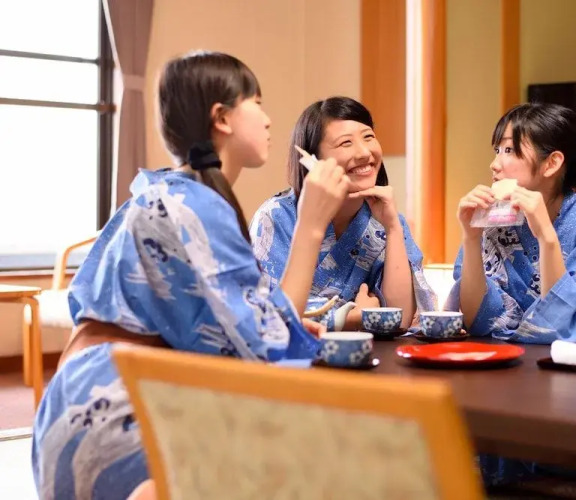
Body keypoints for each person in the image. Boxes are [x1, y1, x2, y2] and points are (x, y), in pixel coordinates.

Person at [32, 51, 349, 500]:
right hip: (120, 421)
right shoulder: (194, 209)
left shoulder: (164, 194)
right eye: (256, 103)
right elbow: (267, 351)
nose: (267, 120)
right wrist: (312, 225)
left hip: (74, 408)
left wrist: (282, 321)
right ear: (221, 118)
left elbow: (245, 324)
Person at [448, 102, 576, 346]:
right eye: (497, 150)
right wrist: (471, 237)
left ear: (551, 163)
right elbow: (477, 320)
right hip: (507, 360)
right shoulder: (494, 225)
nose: (494, 164)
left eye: (509, 150)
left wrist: (547, 237)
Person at [250, 97, 436, 331]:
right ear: (314, 159)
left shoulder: (386, 219)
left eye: (368, 137)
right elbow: (270, 313)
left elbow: (400, 318)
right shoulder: (276, 217)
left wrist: (392, 229)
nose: (364, 152)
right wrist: (353, 316)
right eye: (346, 143)